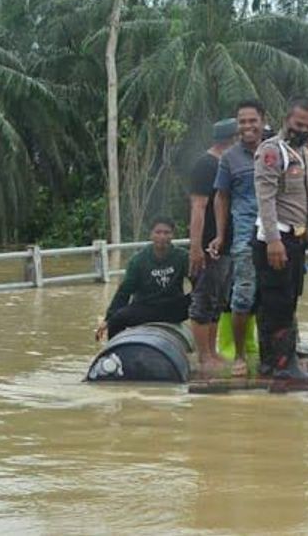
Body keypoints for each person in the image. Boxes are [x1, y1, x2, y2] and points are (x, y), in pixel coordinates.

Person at [253, 95, 308, 379]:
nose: (304, 130)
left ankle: (273, 362)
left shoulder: (303, 154)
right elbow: (266, 198)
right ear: (287, 120)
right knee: (277, 304)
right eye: (299, 124)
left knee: (287, 300)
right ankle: (284, 365)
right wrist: (273, 240)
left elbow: (307, 198)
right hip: (276, 239)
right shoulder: (272, 152)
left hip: (296, 240)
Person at [208, 100, 266, 377]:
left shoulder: (275, 151)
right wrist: (220, 235)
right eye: (242, 122)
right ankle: (241, 355)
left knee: (280, 295)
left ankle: (278, 352)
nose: (247, 126)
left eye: (252, 120)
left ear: (263, 121)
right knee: (242, 297)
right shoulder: (229, 158)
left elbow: (295, 191)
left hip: (278, 233)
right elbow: (221, 197)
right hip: (244, 236)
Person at [186, 118, 238, 372]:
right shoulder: (206, 165)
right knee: (203, 301)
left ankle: (213, 352)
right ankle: (203, 357)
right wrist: (196, 247)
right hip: (208, 245)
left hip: (226, 246)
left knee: (217, 301)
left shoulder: (224, 164)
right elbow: (198, 207)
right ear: (232, 140)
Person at [96, 217, 190, 341]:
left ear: (173, 235)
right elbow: (124, 291)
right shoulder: (138, 260)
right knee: (116, 320)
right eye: (158, 232)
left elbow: (199, 283)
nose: (162, 236)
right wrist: (108, 318)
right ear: (151, 235)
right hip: (146, 308)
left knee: (204, 301)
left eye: (166, 233)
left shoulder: (182, 257)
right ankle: (115, 353)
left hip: (173, 308)